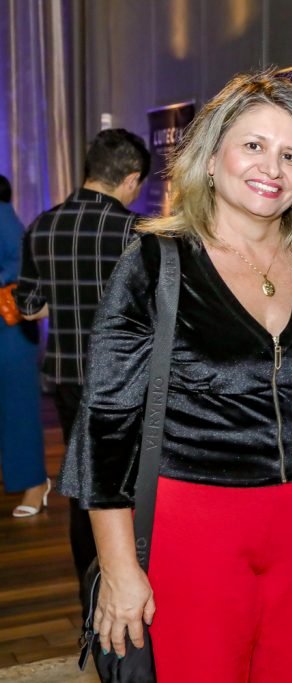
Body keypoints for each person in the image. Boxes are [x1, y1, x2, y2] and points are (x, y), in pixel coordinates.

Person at [56, 69, 292, 683]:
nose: (271, 168)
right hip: (193, 526)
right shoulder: (154, 262)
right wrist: (118, 568)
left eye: (291, 154)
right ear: (212, 156)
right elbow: (106, 424)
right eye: (253, 145)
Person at [15, 129, 149, 605]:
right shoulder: (140, 233)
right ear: (131, 179)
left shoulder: (42, 225)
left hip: (70, 378)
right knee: (132, 488)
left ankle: (91, 591)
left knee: (83, 488)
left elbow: (29, 305)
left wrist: (67, 302)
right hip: (131, 381)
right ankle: (136, 587)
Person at [0, 174, 48, 517]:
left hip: (8, 331)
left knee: (18, 410)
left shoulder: (1, 213)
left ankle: (34, 484)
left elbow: (20, 260)